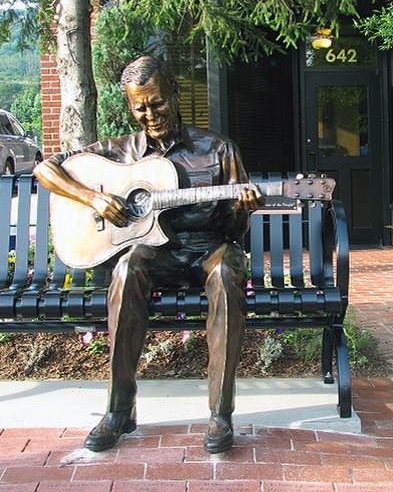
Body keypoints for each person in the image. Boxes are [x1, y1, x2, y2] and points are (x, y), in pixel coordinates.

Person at [34, 55, 264, 454]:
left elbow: (233, 231)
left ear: (173, 94)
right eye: (139, 106)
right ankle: (119, 411)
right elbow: (45, 169)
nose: (149, 113)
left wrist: (242, 207)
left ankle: (220, 414)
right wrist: (93, 197)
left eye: (156, 102)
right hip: (155, 252)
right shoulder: (118, 153)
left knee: (228, 271)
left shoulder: (218, 149)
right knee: (125, 269)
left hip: (209, 250)